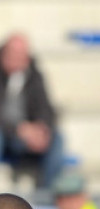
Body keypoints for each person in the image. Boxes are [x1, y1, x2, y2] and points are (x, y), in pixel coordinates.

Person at [0, 34, 63, 191]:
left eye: (20, 55)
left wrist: (41, 129)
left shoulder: (35, 76)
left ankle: (47, 196)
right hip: (5, 134)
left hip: (26, 137)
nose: (16, 59)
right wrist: (18, 129)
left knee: (57, 139)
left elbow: (46, 109)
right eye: (11, 54)